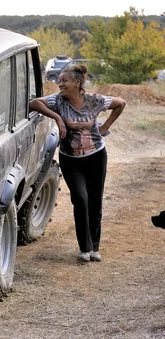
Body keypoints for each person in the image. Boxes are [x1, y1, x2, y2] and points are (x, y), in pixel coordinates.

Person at [30, 63, 126, 263]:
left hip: (96, 157)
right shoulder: (57, 101)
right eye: (59, 80)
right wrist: (57, 118)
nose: (60, 84)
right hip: (71, 160)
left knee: (95, 200)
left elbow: (121, 103)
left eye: (64, 80)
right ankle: (85, 247)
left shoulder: (94, 100)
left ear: (77, 82)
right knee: (80, 199)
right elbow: (34, 103)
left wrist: (105, 126)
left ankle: (95, 248)